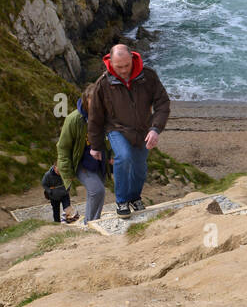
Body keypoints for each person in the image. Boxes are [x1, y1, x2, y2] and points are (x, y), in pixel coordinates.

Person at [87, 43, 171, 219]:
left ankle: (134, 197)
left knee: (140, 167)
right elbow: (95, 116)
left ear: (132, 59)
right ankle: (122, 201)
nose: (124, 70)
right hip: (116, 128)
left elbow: (162, 103)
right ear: (110, 62)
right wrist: (95, 146)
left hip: (143, 130)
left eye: (127, 65)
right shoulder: (103, 83)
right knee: (124, 157)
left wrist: (155, 129)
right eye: (119, 67)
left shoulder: (148, 76)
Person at [57, 84, 107, 224]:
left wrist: (114, 156)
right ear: (86, 101)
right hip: (81, 162)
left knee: (97, 194)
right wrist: (67, 173)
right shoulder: (74, 119)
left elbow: (112, 138)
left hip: (100, 162)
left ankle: (92, 223)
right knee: (97, 191)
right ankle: (91, 224)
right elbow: (63, 147)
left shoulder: (105, 116)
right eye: (93, 103)